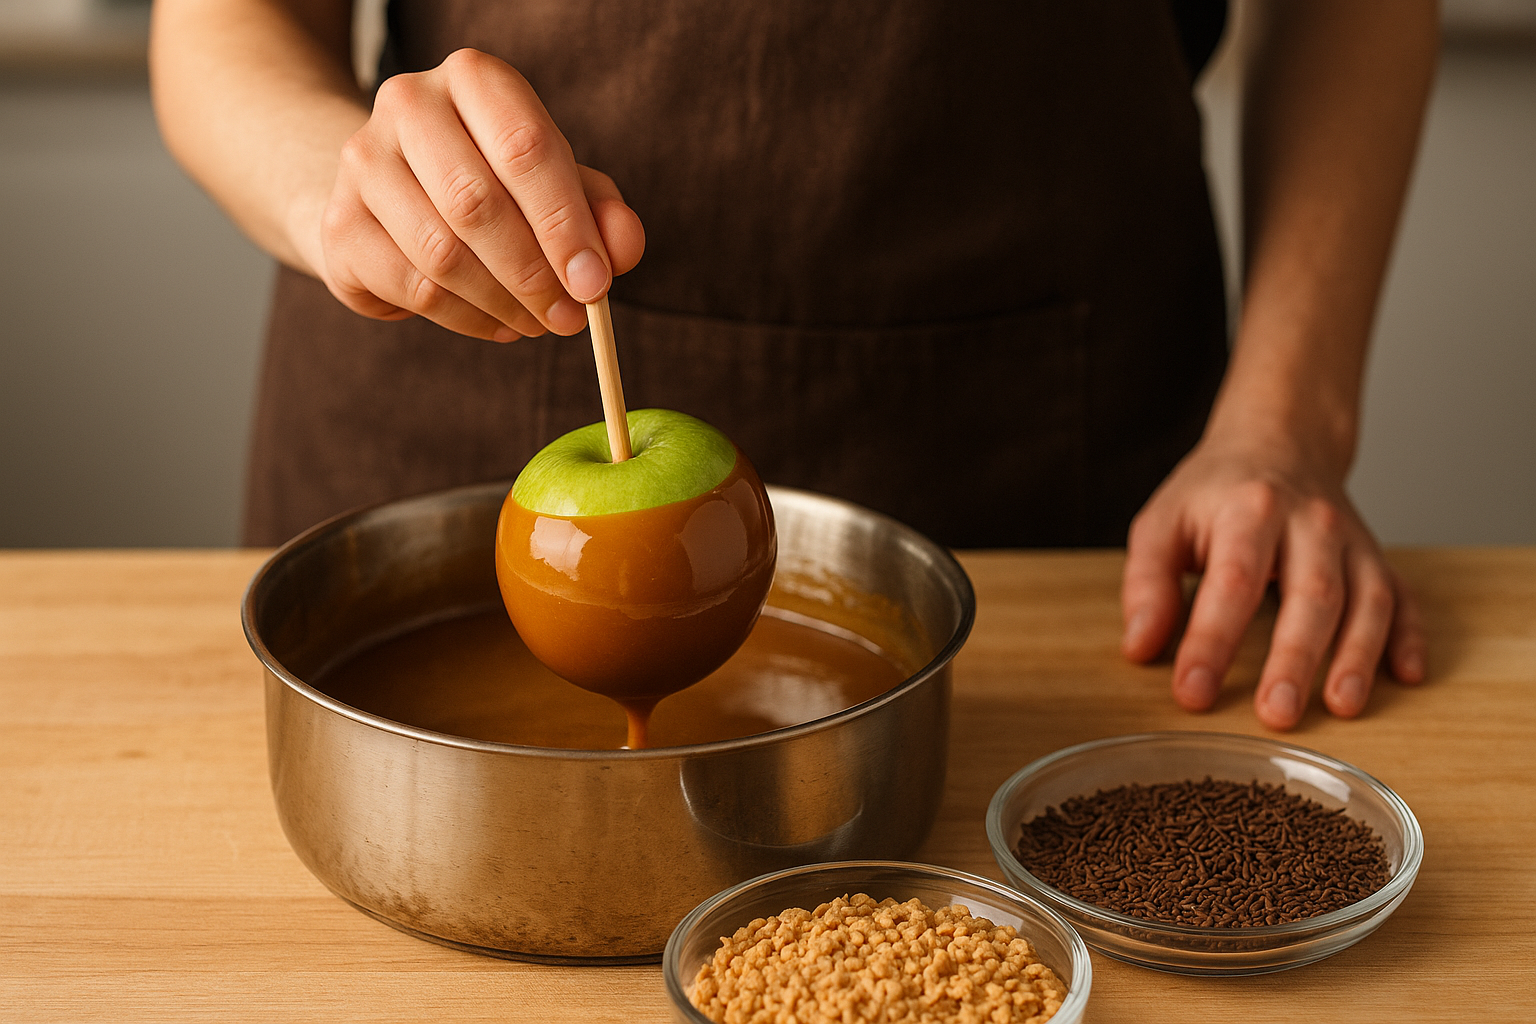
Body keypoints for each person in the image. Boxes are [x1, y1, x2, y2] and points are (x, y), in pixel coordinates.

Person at [149, 0, 1435, 731]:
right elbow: (221, 33)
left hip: (1056, 478)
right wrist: (347, 195)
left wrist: (1286, 420)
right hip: (444, 411)